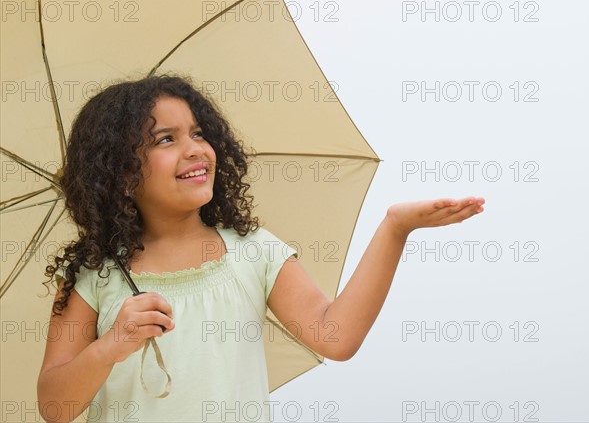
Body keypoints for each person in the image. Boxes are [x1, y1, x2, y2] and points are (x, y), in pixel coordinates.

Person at [37, 74, 485, 423]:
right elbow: (54, 406)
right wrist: (114, 343)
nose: (195, 149)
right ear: (119, 172)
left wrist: (394, 228)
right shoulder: (93, 274)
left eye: (198, 133)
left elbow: (337, 337)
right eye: (166, 139)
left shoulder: (253, 252)